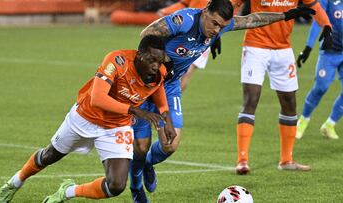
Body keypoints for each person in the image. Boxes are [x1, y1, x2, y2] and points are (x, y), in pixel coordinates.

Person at [129, 0, 317, 202]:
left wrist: (287, 15)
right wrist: (164, 61)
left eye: (221, 26)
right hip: (145, 83)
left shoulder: (219, 27)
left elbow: (252, 19)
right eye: (214, 23)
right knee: (141, 146)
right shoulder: (183, 20)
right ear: (205, 11)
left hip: (170, 86)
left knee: (170, 145)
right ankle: (136, 187)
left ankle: (148, 164)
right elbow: (146, 35)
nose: (216, 30)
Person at [0, 35, 176, 203]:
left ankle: (67, 191)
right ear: (140, 55)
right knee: (50, 155)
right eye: (152, 60)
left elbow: (158, 91)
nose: (156, 66)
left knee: (116, 185)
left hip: (116, 127)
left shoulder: (158, 72)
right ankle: (16, 181)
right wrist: (135, 111)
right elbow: (97, 98)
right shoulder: (117, 61)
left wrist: (166, 121)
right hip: (85, 117)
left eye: (159, 61)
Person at [230, 0, 333, 175]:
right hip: (255, 46)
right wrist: (220, 29)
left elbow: (314, 5)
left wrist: (327, 26)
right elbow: (231, 4)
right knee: (251, 99)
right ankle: (242, 160)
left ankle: (286, 160)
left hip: (283, 49)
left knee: (289, 104)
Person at [111, 0, 211, 91]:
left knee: (184, 75)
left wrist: (217, 35)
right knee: (164, 74)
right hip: (185, 36)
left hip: (205, 38)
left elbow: (223, 14)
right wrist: (165, 11)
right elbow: (184, 3)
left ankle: (168, 99)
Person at [296, 0, 342, 140]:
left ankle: (330, 124)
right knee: (321, 88)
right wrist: (308, 47)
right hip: (329, 53)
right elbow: (318, 19)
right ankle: (303, 120)